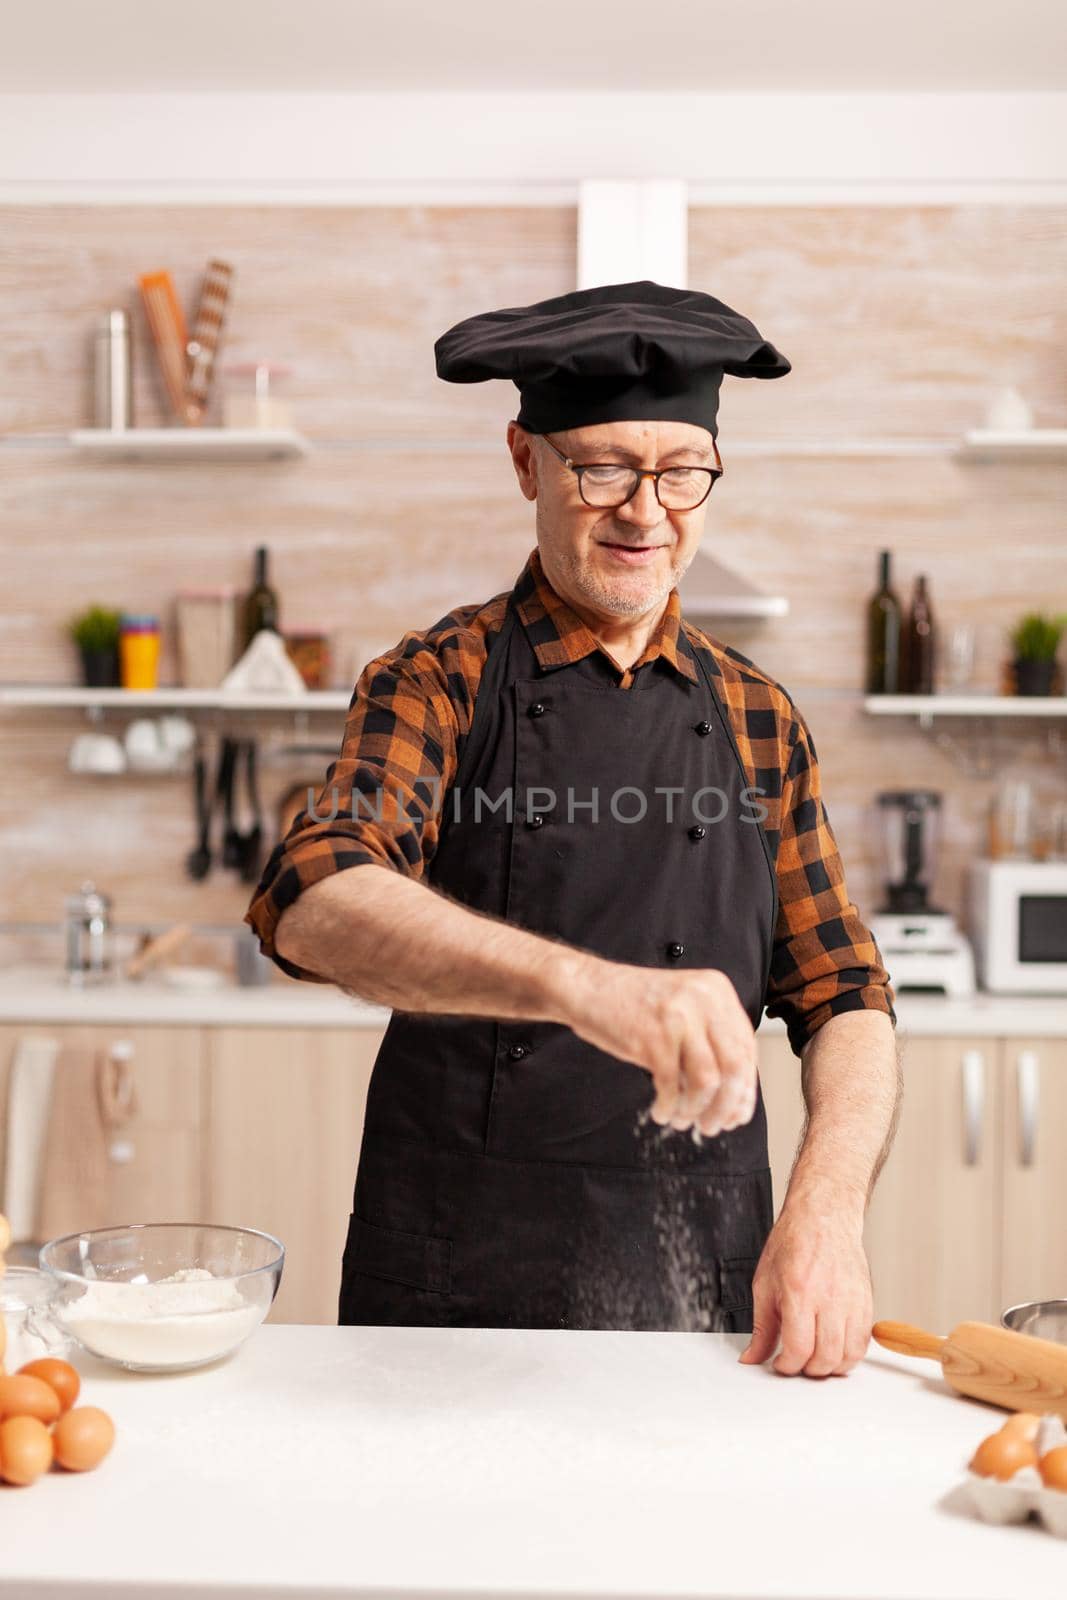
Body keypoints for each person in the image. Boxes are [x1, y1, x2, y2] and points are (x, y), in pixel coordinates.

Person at [244, 281, 900, 1376]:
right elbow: (314, 893)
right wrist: (589, 987)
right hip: (458, 1278)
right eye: (600, 468)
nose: (644, 511)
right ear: (525, 463)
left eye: (679, 471)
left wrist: (827, 1213)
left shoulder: (757, 717)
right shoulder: (437, 678)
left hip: (711, 1272)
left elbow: (846, 995)